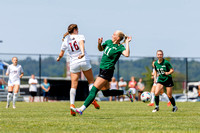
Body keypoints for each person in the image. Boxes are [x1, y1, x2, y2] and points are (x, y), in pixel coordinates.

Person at [71, 30, 132, 115]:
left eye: (114, 35)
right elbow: (100, 49)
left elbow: (127, 54)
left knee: (93, 90)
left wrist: (127, 43)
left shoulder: (119, 47)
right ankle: (126, 93)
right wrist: (99, 43)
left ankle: (81, 109)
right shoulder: (108, 42)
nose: (112, 35)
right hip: (102, 69)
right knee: (106, 93)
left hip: (107, 71)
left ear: (118, 38)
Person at [57, 24, 100, 116]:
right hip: (84, 60)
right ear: (75, 29)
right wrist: (83, 53)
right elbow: (81, 43)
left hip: (73, 63)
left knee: (73, 85)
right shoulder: (80, 36)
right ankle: (92, 99)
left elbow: (61, 53)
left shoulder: (66, 40)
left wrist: (59, 58)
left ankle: (72, 105)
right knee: (91, 81)